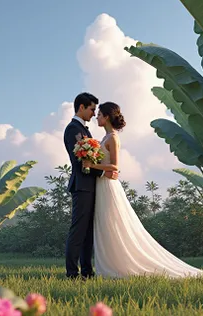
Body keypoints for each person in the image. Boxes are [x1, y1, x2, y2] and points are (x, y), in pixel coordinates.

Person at [82, 101, 203, 281]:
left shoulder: (113, 138)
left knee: (114, 225)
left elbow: (115, 165)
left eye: (99, 114)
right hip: (102, 184)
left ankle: (119, 266)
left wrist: (92, 164)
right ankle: (109, 265)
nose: (97, 117)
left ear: (106, 117)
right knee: (105, 226)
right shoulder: (104, 138)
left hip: (109, 186)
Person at [63, 92, 118, 280]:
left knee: (88, 233)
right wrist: (104, 172)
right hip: (82, 186)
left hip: (92, 186)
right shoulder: (73, 129)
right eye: (92, 109)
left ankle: (87, 271)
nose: (94, 114)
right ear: (81, 107)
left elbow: (91, 158)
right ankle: (72, 273)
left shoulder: (84, 130)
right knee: (78, 231)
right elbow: (81, 162)